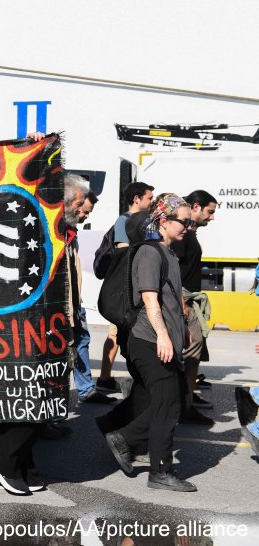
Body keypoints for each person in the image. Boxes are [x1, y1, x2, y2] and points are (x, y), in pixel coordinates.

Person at [0, 172, 87, 495]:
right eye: (81, 203)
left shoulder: (67, 233)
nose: (86, 210)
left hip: (56, 325)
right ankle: (1, 459)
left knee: (36, 400)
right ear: (65, 200)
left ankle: (19, 464)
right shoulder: (35, 224)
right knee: (29, 400)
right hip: (26, 327)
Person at [104, 193, 196, 492]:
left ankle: (125, 439)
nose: (188, 226)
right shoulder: (149, 253)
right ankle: (159, 471)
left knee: (172, 400)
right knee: (168, 405)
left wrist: (181, 327)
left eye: (189, 221)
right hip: (149, 340)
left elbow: (168, 296)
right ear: (165, 221)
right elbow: (149, 298)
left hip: (161, 339)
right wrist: (164, 336)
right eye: (183, 221)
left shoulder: (169, 253)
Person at [96, 182, 154, 394]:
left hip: (133, 287)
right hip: (126, 289)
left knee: (118, 334)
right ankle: (104, 377)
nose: (151, 202)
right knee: (115, 333)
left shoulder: (141, 220)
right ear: (136, 199)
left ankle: (106, 377)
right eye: (149, 198)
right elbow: (124, 253)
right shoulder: (124, 221)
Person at [170, 190, 217, 426]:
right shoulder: (184, 236)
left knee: (192, 357)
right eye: (210, 212)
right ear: (196, 207)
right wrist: (181, 305)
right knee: (188, 356)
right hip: (184, 304)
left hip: (189, 303)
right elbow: (173, 270)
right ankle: (182, 407)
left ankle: (186, 402)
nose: (212, 217)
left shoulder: (190, 234)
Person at [73, 192, 112, 405]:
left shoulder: (71, 232)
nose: (86, 216)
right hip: (63, 303)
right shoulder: (59, 231)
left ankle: (86, 389)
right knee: (74, 344)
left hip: (73, 301)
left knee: (82, 341)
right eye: (84, 210)